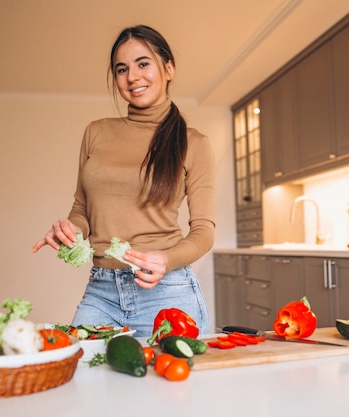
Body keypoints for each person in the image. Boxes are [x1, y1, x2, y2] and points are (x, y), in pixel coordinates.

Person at [32, 25, 215, 337]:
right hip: (102, 289)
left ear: (168, 68)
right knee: (82, 375)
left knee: (172, 385)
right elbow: (82, 208)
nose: (132, 77)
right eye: (122, 69)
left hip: (167, 291)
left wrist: (165, 259)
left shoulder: (193, 143)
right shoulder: (96, 132)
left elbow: (204, 232)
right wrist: (73, 230)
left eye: (143, 63)